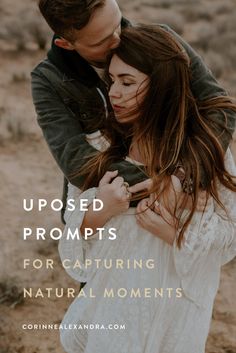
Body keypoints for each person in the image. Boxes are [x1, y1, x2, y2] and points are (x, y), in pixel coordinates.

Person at [58, 25, 236, 353]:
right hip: (110, 316)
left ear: (163, 86)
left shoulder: (208, 150)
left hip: (175, 318)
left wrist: (175, 233)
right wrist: (99, 212)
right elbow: (72, 240)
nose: (114, 93)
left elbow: (230, 236)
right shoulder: (98, 146)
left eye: (128, 82)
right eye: (112, 81)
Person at [31, 0, 236, 223]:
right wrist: (162, 184)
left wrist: (184, 176)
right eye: (102, 40)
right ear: (66, 44)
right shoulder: (47, 80)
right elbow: (77, 163)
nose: (119, 39)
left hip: (184, 207)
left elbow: (220, 106)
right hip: (107, 214)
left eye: (118, 24)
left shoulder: (160, 41)